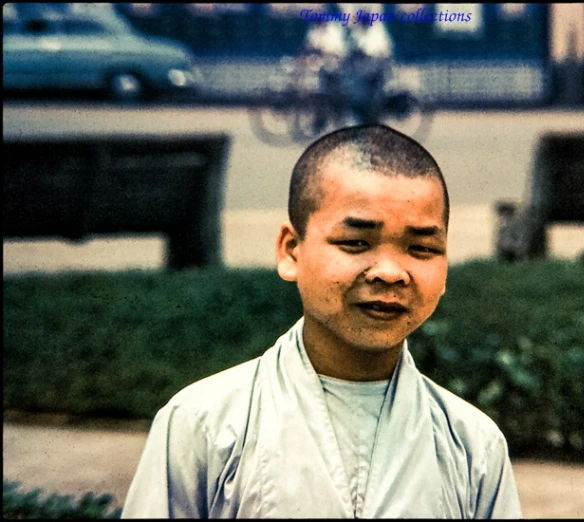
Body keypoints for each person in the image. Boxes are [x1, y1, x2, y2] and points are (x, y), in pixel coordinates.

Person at [121, 124, 523, 518]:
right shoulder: (204, 425)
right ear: (291, 251)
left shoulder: (472, 445)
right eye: (355, 243)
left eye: (420, 248)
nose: (389, 272)